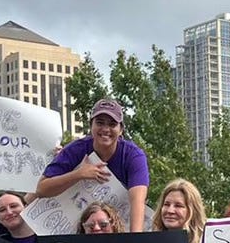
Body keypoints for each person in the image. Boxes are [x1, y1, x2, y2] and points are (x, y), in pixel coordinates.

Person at [36, 97, 150, 231]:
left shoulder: (133, 155)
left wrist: (135, 240)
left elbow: (137, 201)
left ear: (121, 130)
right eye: (100, 123)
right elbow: (41, 189)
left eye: (112, 124)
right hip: (81, 230)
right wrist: (78, 174)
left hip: (118, 230)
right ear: (91, 126)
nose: (105, 129)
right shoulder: (75, 150)